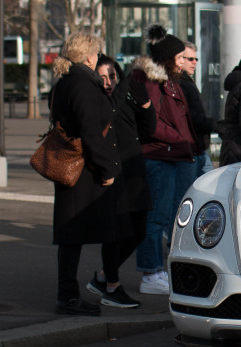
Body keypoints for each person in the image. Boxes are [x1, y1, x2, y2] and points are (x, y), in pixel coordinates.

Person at [48, 32, 120, 316]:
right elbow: (90, 131)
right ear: (90, 56)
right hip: (83, 169)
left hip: (71, 165)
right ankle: (68, 297)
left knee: (71, 236)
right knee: (73, 235)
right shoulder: (83, 84)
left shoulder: (66, 81)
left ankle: (68, 293)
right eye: (98, 54)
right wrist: (107, 168)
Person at [131, 30, 198, 295]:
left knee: (161, 216)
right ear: (170, 58)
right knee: (155, 217)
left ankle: (155, 271)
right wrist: (178, 138)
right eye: (181, 56)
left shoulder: (165, 81)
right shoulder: (153, 82)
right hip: (159, 154)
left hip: (167, 153)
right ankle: (151, 273)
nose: (185, 61)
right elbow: (152, 124)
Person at [86, 57, 157, 309]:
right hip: (111, 173)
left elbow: (148, 130)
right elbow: (107, 117)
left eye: (112, 77)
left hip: (133, 169)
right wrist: (125, 85)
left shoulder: (123, 97)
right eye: (102, 77)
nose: (108, 83)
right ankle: (112, 288)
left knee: (138, 230)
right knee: (114, 232)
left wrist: (146, 104)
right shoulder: (97, 100)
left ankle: (104, 276)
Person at [178, 39, 215, 183]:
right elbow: (189, 116)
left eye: (196, 59)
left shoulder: (187, 82)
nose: (194, 62)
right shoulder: (180, 83)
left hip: (199, 147)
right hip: (190, 148)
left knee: (209, 185)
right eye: (190, 59)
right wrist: (212, 124)